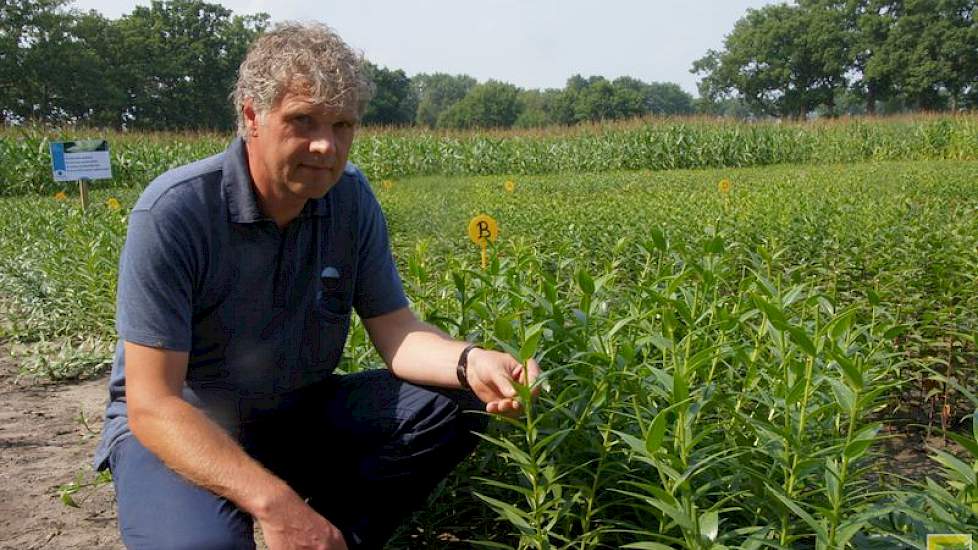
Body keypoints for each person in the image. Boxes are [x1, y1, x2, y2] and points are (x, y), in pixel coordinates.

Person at [94, 21, 541, 550]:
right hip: (183, 425)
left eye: (343, 124)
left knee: (452, 403)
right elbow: (154, 402)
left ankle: (332, 539)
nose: (325, 146)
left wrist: (473, 362)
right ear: (252, 117)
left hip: (293, 413)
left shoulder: (349, 199)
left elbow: (396, 330)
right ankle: (279, 517)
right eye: (302, 121)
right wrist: (276, 504)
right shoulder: (177, 211)